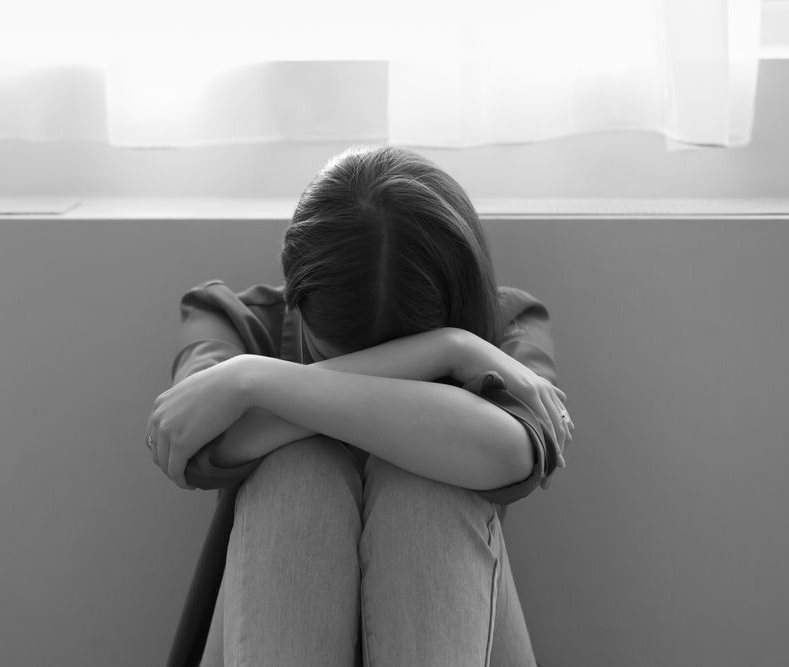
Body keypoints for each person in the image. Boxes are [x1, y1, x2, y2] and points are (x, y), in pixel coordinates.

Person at [147, 145, 573, 667]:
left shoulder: (504, 329)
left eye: (417, 348)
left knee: (424, 488)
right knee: (300, 474)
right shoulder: (234, 322)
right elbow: (195, 445)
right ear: (296, 296)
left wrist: (260, 384)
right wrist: (435, 354)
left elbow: (511, 453)